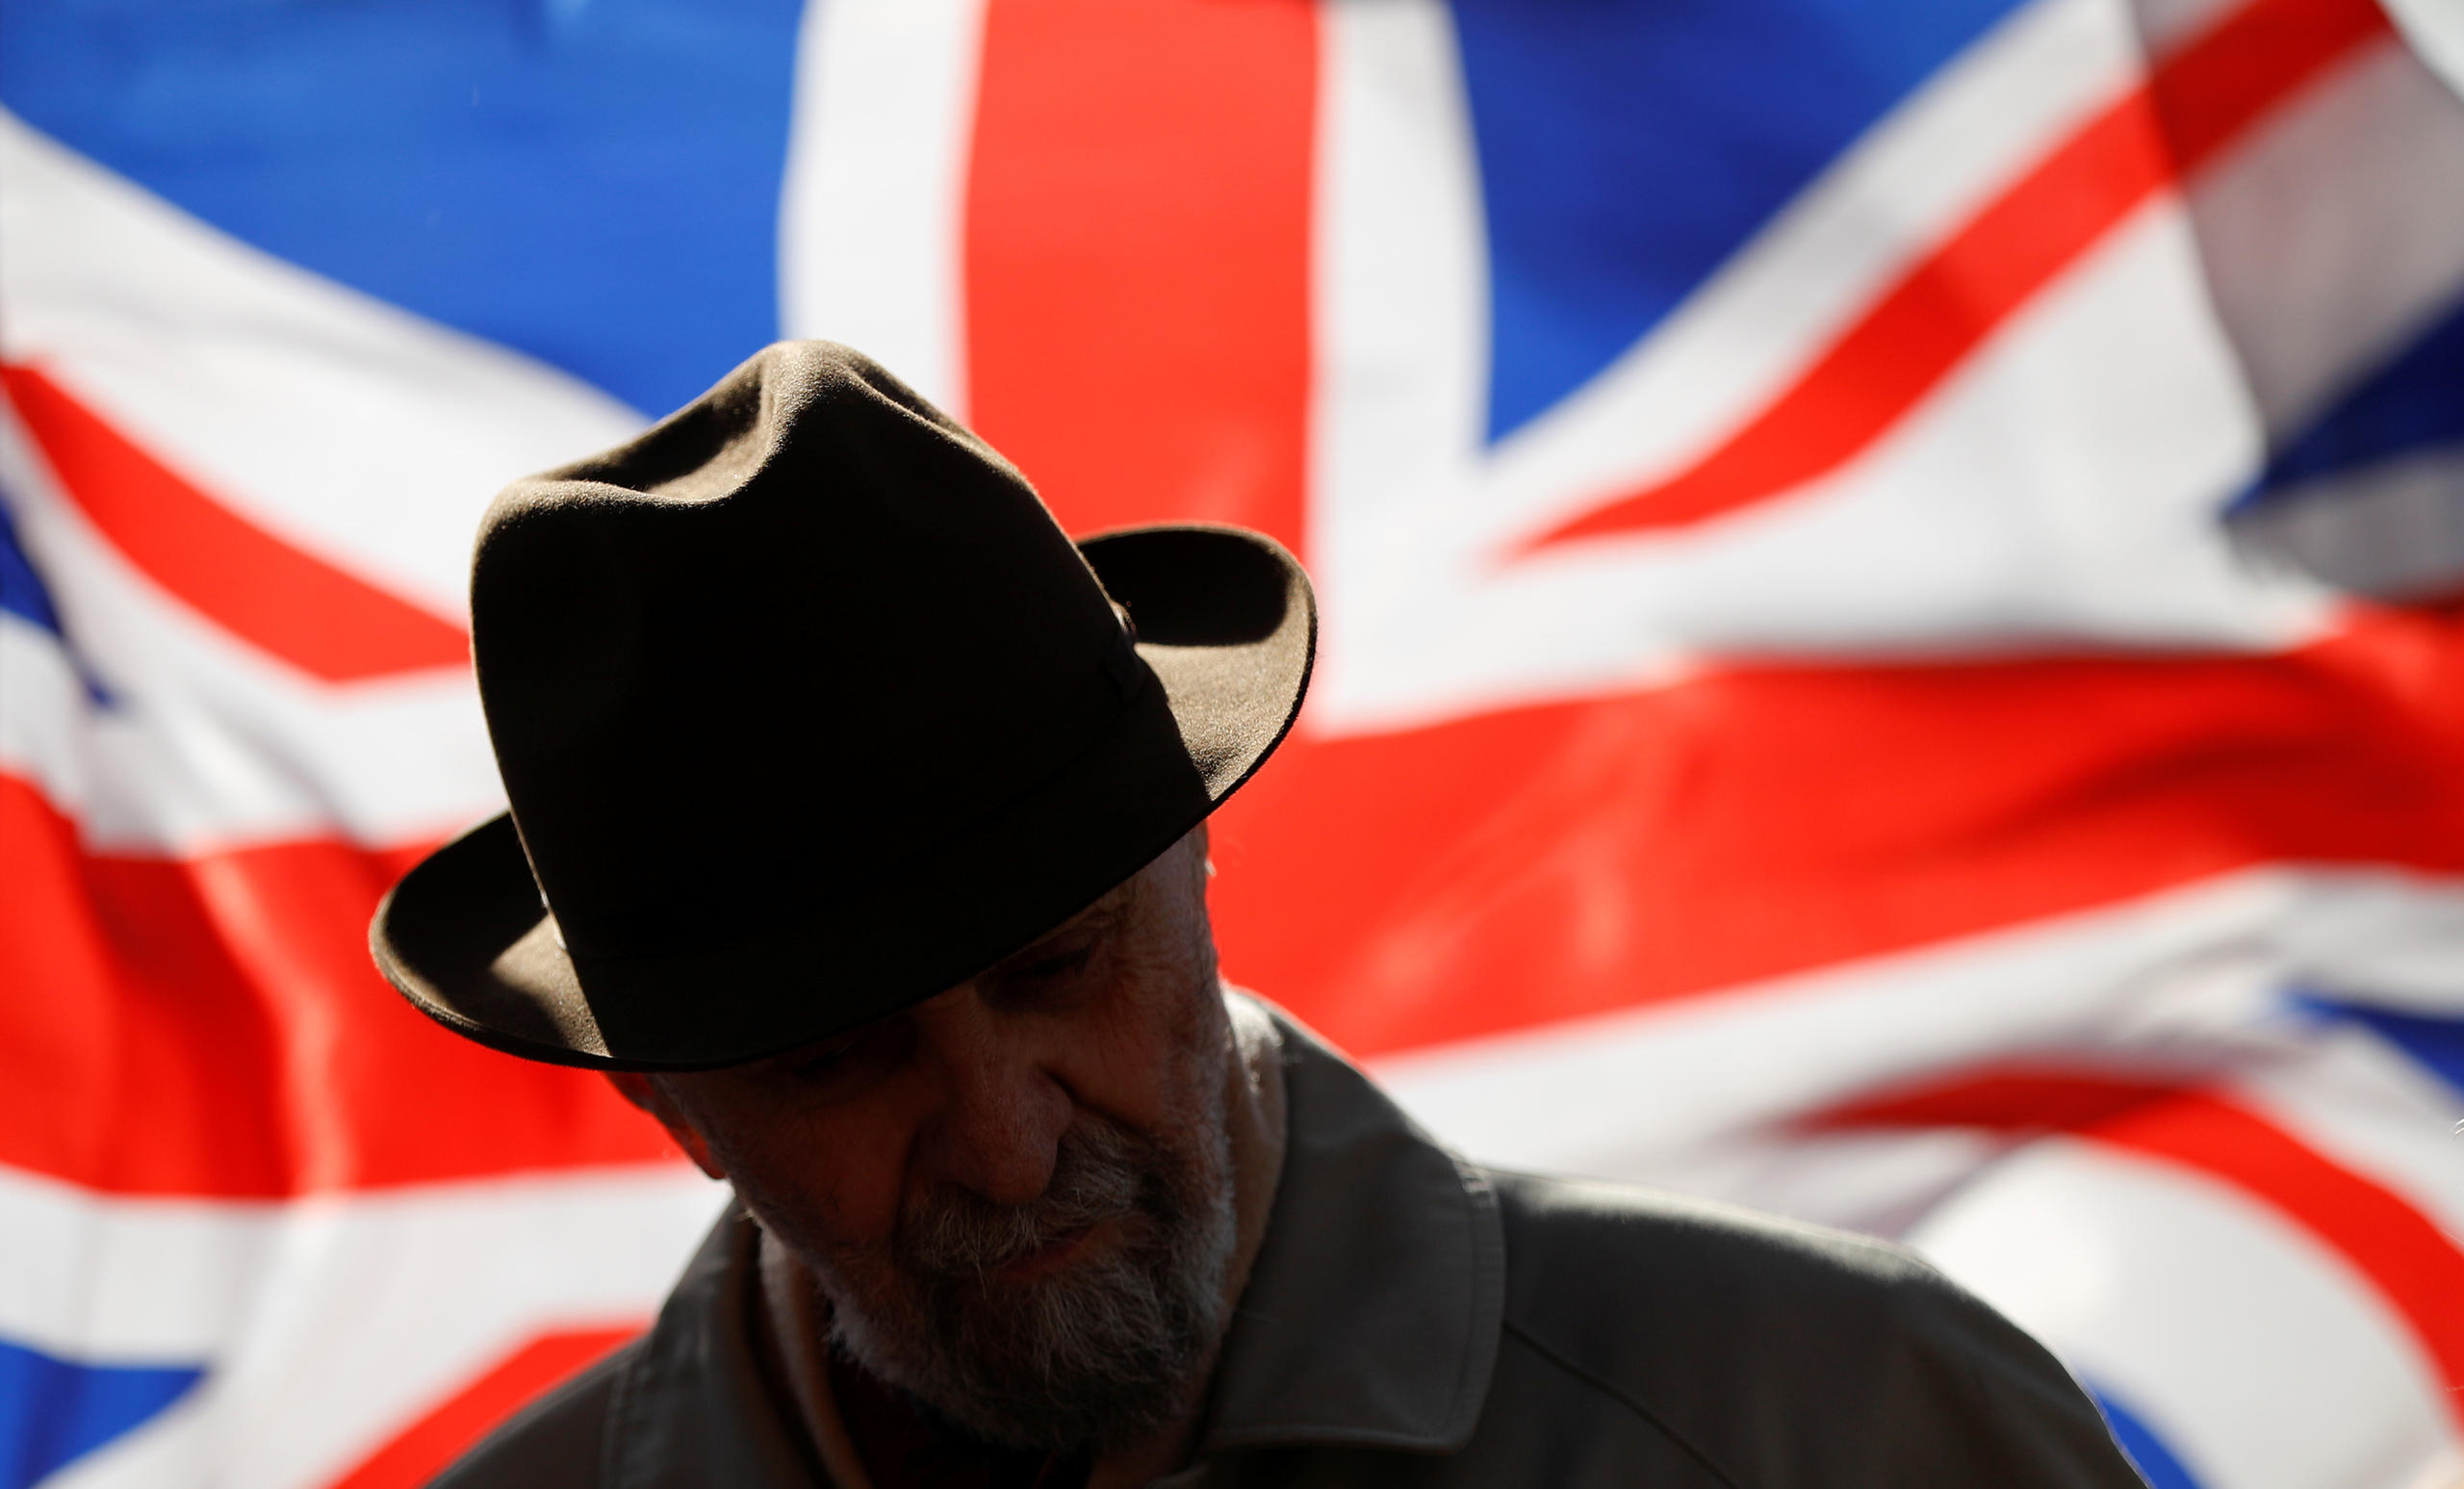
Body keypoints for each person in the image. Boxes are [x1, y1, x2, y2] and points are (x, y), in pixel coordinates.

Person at [374, 341, 2145, 1488]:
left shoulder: (1831, 1425)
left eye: (1057, 965)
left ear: (1195, 871)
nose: (1001, 1139)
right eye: (841, 1058)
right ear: (673, 1110)